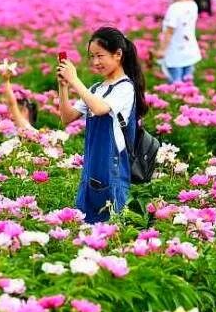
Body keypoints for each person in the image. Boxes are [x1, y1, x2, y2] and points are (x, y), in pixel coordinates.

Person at [56, 27, 147, 223]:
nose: (95, 62)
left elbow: (98, 109)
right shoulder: (96, 88)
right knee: (86, 222)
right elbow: (67, 117)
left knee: (111, 225)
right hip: (91, 166)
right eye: (91, 57)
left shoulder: (125, 88)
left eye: (100, 55)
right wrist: (64, 87)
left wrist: (74, 79)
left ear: (118, 55)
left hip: (112, 168)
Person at [156, 0, 201, 85]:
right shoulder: (193, 5)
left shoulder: (174, 8)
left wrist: (162, 50)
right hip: (190, 49)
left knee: (175, 83)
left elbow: (169, 31)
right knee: (187, 83)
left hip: (175, 51)